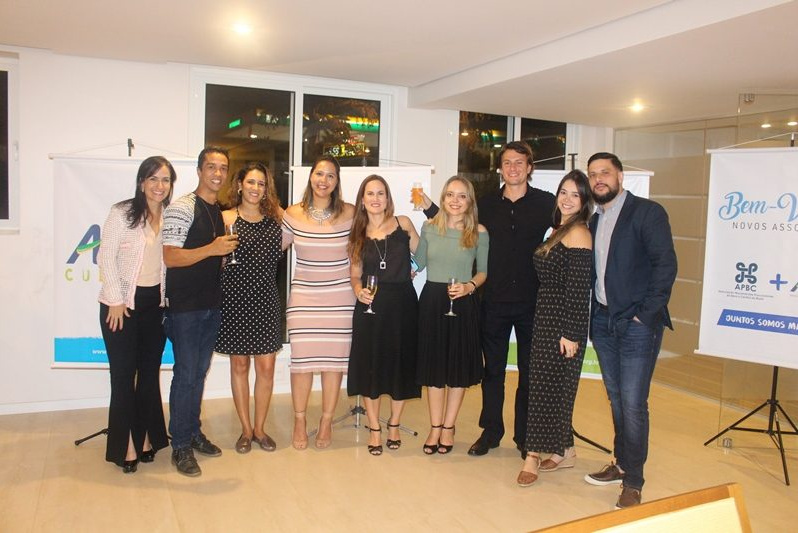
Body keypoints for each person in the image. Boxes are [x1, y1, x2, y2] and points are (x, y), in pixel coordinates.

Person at [422, 141, 555, 456]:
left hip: (532, 301)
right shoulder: (485, 204)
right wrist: (428, 208)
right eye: (507, 162)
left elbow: (570, 226)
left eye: (519, 162)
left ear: (530, 167)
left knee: (529, 373)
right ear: (500, 168)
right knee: (492, 371)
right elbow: (454, 220)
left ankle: (525, 437)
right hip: (492, 301)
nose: (513, 168)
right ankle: (491, 432)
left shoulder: (547, 203)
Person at [583, 152, 677, 509]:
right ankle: (621, 463)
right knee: (617, 398)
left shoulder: (647, 212)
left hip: (636, 324)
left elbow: (665, 265)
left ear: (620, 176)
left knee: (634, 403)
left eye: (605, 173)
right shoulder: (594, 220)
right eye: (593, 175)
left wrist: (645, 315)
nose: (598, 179)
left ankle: (633, 481)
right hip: (604, 321)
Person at [163, 146, 238, 477]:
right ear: (199, 171)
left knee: (199, 373)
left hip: (210, 305)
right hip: (185, 308)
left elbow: (209, 258)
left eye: (223, 168)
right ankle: (179, 444)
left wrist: (218, 257)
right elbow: (170, 257)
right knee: (186, 374)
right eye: (211, 167)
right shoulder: (182, 207)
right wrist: (213, 249)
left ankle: (192, 432)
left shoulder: (217, 212)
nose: (217, 173)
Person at [97, 156, 175, 473]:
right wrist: (116, 300)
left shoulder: (171, 216)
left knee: (148, 375)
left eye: (165, 180)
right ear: (142, 182)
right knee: (123, 376)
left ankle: (145, 438)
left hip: (155, 306)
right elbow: (105, 258)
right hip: (121, 306)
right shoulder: (122, 213)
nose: (159, 185)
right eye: (153, 178)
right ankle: (125, 444)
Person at [517, 170, 593, 487]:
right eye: (564, 192)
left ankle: (532, 456)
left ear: (584, 201)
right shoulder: (558, 230)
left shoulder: (579, 234)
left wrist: (571, 334)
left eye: (576, 194)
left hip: (563, 322)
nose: (567, 199)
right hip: (545, 316)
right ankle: (566, 451)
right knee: (552, 388)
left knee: (544, 390)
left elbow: (579, 289)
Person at [282, 155, 356, 450]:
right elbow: (272, 249)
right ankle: (300, 420)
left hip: (340, 298)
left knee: (333, 363)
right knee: (301, 363)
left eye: (330, 176)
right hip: (304, 298)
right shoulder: (292, 213)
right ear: (311, 176)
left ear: (337, 182)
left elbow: (368, 244)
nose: (323, 180)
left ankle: (326, 421)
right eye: (319, 174)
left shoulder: (350, 212)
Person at [346, 175, 421, 455]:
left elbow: (425, 255)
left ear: (388, 198)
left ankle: (394, 425)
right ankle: (375, 429)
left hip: (403, 306)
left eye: (381, 193)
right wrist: (358, 291)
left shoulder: (404, 224)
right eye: (370, 193)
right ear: (362, 200)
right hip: (370, 308)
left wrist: (415, 268)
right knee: (371, 367)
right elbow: (355, 275)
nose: (376, 198)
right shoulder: (357, 234)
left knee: (401, 366)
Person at [415, 176, 488, 455]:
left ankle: (448, 427)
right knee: (434, 370)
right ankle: (435, 427)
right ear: (443, 199)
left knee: (457, 370)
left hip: (463, 301)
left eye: (462, 196)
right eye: (450, 195)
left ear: (470, 201)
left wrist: (470, 287)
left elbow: (483, 272)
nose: (455, 201)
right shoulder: (429, 227)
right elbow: (419, 262)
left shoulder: (479, 232)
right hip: (433, 302)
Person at [215, 162, 283, 454]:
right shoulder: (225, 218)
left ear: (267, 189)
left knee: (266, 368)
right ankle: (245, 430)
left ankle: (260, 429)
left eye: (262, 184)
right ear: (240, 185)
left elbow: (304, 223)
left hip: (266, 300)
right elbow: (214, 260)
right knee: (240, 366)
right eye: (251, 182)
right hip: (234, 301)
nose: (256, 188)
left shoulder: (277, 219)